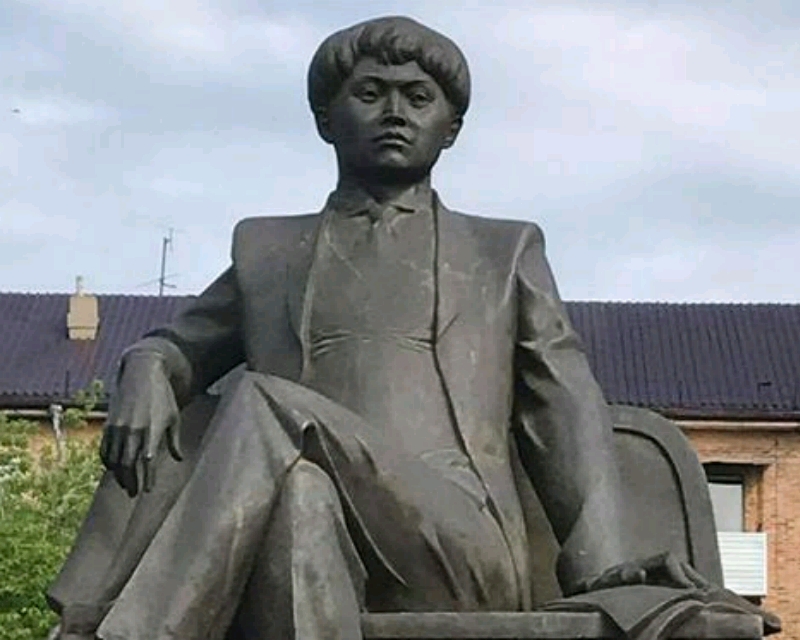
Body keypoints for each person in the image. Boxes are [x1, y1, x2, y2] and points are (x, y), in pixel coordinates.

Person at [47, 16, 700, 640]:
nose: (395, 112)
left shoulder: (502, 253)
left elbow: (561, 400)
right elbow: (182, 346)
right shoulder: (268, 252)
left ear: (451, 129)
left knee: (261, 402)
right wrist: (149, 363)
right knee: (300, 494)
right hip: (317, 522)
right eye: (370, 94)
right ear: (325, 119)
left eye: (418, 97)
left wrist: (602, 560)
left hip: (455, 541)